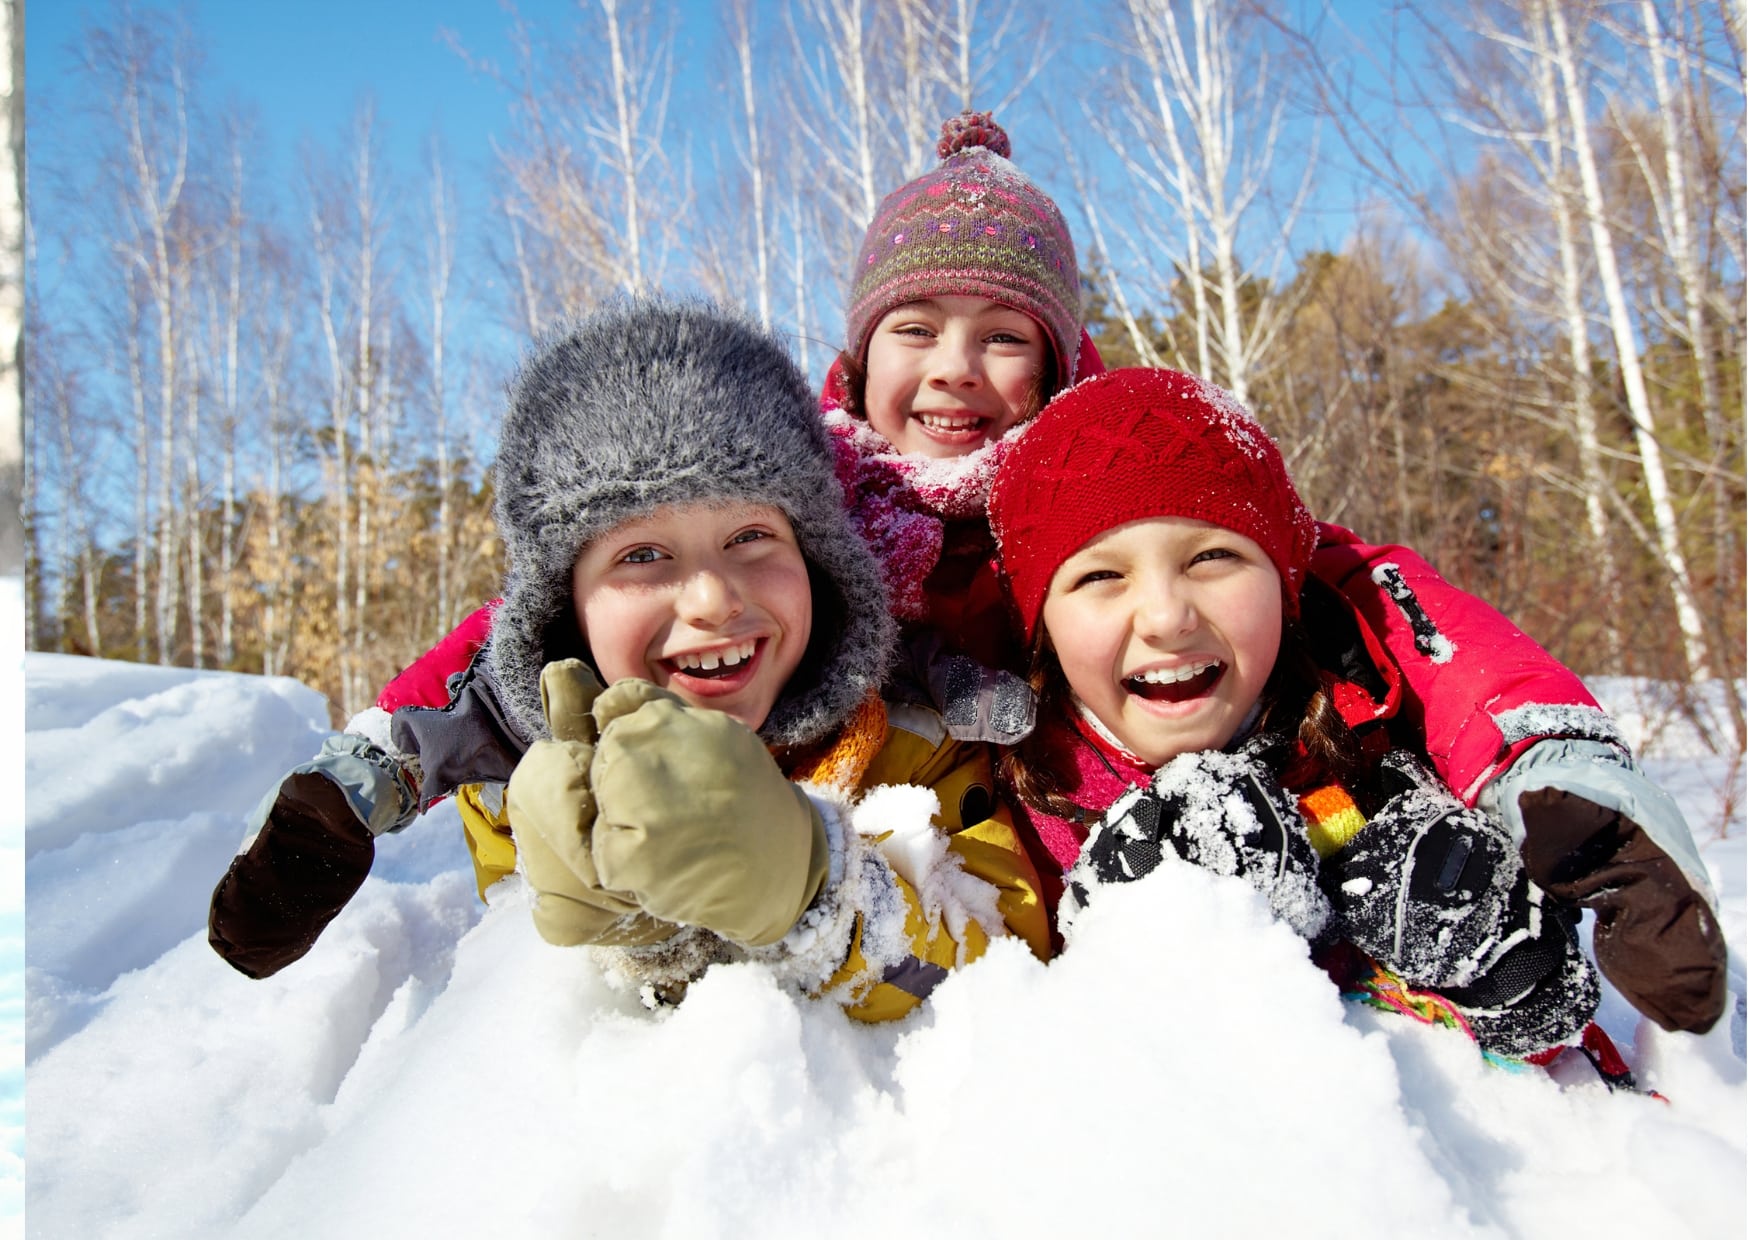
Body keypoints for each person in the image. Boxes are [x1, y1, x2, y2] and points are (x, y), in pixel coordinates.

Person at [365, 110, 1726, 1035]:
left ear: (1063, 366)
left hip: (1008, 830)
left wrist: (1551, 769)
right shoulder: (790, 508)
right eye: (915, 326)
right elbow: (563, 607)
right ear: (856, 358)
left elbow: (1343, 580)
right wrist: (388, 752)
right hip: (876, 819)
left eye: (1002, 336)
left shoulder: (1110, 493)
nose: (955, 368)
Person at [208, 297, 1049, 1022]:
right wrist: (643, 944)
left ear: (820, 560)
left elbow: (992, 956)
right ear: (564, 606)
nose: (714, 600)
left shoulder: (910, 738)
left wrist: (814, 891)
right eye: (643, 556)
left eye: (752, 536)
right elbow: (525, 1032)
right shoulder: (524, 780)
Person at [987, 366, 1607, 1059]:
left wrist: (1507, 980)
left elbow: (1552, 1098)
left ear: (1285, 586)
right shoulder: (1008, 808)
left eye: (1213, 557)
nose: (1166, 616)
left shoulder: (1373, 744)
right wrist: (1115, 956)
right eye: (1101, 576)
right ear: (1040, 623)